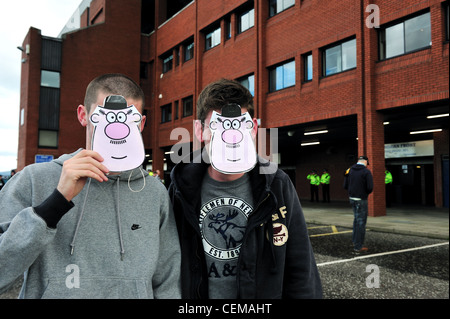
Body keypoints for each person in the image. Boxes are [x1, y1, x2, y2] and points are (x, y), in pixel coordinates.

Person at [0, 73, 181, 299]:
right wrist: (55, 203)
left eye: (129, 120)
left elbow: (167, 280)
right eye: (105, 118)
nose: (117, 129)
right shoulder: (34, 179)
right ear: (83, 116)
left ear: (141, 124)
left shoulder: (154, 192)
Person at [168, 78, 322, 299]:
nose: (231, 137)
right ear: (200, 131)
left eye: (240, 125)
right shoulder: (180, 188)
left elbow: (300, 267)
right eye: (218, 126)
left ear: (254, 128)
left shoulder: (277, 184)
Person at [343, 155, 373, 254]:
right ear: (365, 162)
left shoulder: (350, 170)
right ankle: (358, 246)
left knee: (356, 220)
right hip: (361, 199)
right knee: (361, 223)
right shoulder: (366, 172)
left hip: (352, 198)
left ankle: (355, 241)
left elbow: (345, 185)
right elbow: (370, 187)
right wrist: (364, 193)